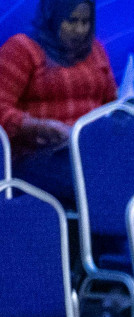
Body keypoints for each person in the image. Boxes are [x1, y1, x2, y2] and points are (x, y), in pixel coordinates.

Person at [0, 0, 116, 203]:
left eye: (85, 22)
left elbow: (110, 101)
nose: (79, 30)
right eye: (71, 21)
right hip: (39, 155)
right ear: (52, 17)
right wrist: (34, 127)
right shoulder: (23, 49)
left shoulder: (95, 50)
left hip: (92, 150)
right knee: (102, 181)